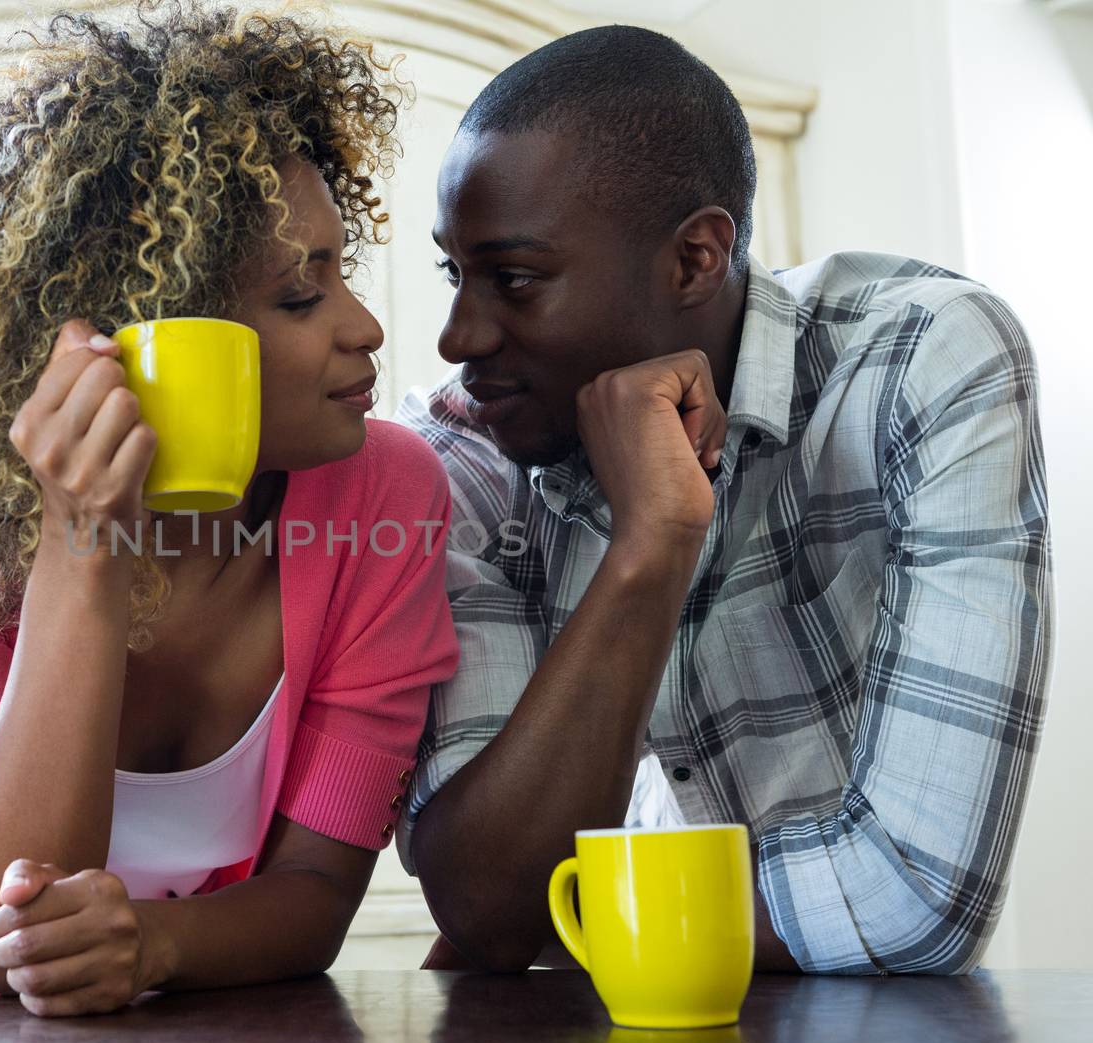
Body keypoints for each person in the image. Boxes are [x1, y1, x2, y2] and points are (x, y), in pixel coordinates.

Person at [0, 2, 458, 1016]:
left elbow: (315, 897)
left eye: (340, 271)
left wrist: (152, 941)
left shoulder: (386, 497)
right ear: (153, 331)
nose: (366, 327)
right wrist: (83, 543)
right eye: (301, 296)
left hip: (186, 1018)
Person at [396, 24, 1052, 976]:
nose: (458, 336)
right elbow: (492, 906)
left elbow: (914, 896)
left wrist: (583, 916)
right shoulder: (460, 452)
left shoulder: (925, 361)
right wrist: (650, 546)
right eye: (455, 274)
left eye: (517, 279)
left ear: (697, 258)